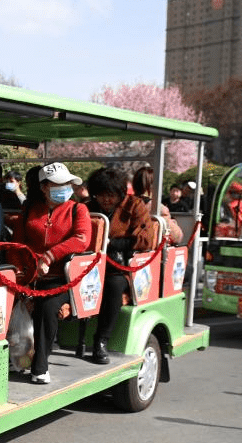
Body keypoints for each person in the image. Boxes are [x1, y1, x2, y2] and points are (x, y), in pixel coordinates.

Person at [11, 162, 90, 383]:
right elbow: (17, 244)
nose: (65, 187)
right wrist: (19, 272)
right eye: (58, 184)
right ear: (44, 187)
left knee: (46, 308)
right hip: (30, 277)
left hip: (62, 280)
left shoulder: (78, 209)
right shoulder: (28, 210)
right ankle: (13, 358)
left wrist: (51, 255)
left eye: (67, 183)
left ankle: (40, 366)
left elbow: (82, 239)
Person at [85, 166, 157, 365]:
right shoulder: (87, 206)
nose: (106, 200)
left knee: (113, 286)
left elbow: (145, 240)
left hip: (121, 266)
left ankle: (101, 341)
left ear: (120, 194)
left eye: (111, 195)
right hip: (90, 264)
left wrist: (112, 243)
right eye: (101, 195)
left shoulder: (135, 206)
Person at [132, 166, 183, 244]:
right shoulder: (158, 208)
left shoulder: (124, 204)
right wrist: (173, 222)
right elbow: (177, 237)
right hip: (147, 250)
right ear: (154, 186)